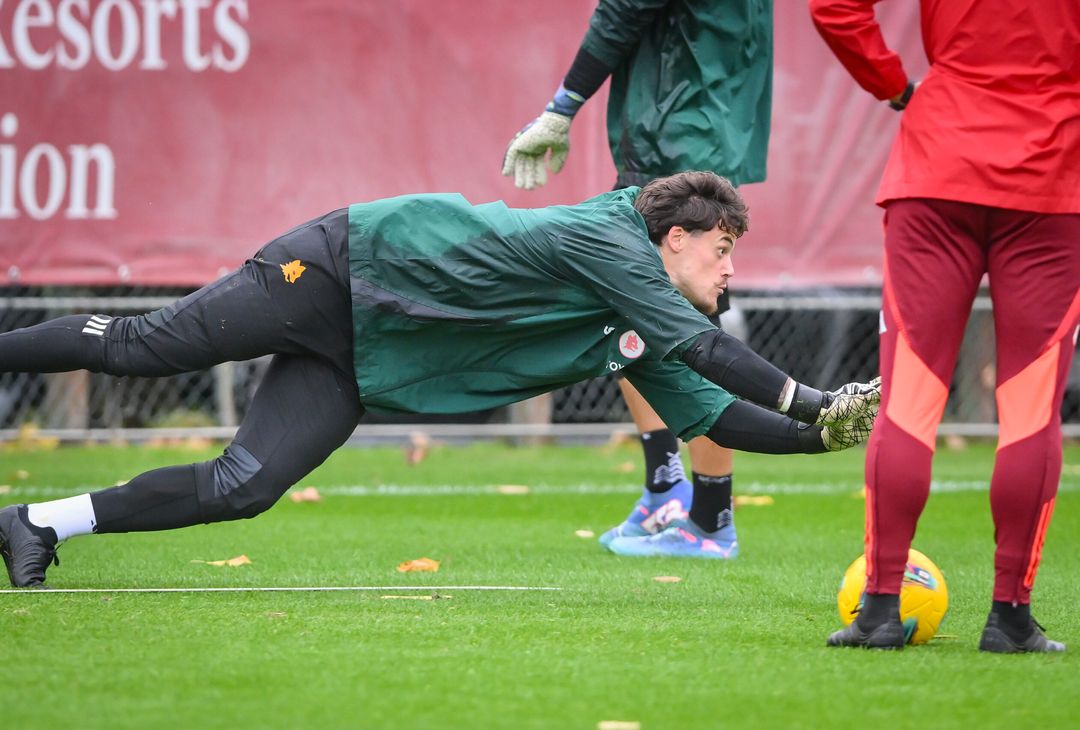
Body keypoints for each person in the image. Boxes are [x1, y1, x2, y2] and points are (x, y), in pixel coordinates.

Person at [0, 171, 881, 588]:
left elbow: (716, 412)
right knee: (140, 345)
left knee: (247, 487)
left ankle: (35, 522)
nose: (729, 274)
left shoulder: (641, 313)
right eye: (723, 252)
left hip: (371, 350)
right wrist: (812, 398)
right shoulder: (613, 234)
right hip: (340, 272)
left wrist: (827, 433)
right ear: (677, 238)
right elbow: (715, 353)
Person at [810, 0, 1079, 653]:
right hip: (1053, 171)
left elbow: (832, 8)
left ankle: (878, 610)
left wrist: (896, 86)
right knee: (1028, 409)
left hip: (937, 160)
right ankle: (1010, 616)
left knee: (910, 402)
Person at [502, 0, 773, 558]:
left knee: (693, 327)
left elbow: (622, 10)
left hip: (680, 126)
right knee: (631, 314)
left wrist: (563, 105)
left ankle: (711, 518)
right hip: (697, 122)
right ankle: (665, 490)